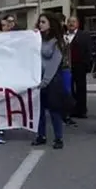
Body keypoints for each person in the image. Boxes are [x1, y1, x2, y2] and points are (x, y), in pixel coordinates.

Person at [31, 13, 67, 149]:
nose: (40, 24)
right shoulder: (36, 39)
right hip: (37, 79)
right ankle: (41, 136)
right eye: (39, 22)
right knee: (39, 110)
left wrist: (45, 81)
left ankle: (58, 138)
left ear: (51, 24)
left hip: (52, 80)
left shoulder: (57, 42)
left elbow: (54, 63)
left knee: (54, 111)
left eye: (43, 22)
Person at [65, 16, 92, 119]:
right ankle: (71, 109)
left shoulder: (84, 35)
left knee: (81, 88)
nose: (71, 23)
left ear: (77, 24)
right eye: (69, 22)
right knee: (69, 88)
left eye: (73, 21)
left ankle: (82, 110)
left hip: (80, 65)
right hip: (67, 66)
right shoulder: (64, 36)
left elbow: (89, 50)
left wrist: (87, 65)